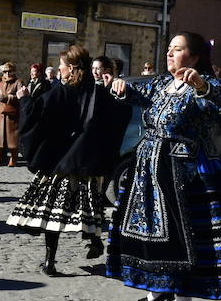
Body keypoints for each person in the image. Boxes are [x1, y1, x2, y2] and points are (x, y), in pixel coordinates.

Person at [107, 31, 221, 301]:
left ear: (195, 56)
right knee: (151, 238)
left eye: (178, 49)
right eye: (170, 49)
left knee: (184, 244)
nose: (170, 53)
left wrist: (201, 85)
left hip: (186, 174)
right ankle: (159, 289)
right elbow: (138, 95)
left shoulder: (206, 85)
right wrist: (121, 87)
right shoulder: (162, 83)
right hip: (151, 170)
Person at [8, 45, 130, 275]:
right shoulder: (98, 92)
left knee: (53, 213)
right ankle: (94, 241)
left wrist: (24, 100)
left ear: (71, 68)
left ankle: (49, 261)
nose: (60, 70)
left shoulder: (60, 92)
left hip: (62, 163)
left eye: (62, 66)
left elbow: (36, 117)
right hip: (87, 164)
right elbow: (119, 117)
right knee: (88, 207)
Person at [0, 63, 22, 166]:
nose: (7, 73)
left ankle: (13, 158)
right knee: (0, 138)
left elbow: (20, 96)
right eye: (5, 72)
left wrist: (7, 98)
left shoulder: (17, 82)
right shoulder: (1, 83)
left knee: (12, 138)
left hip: (12, 114)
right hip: (1, 114)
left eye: (9, 71)